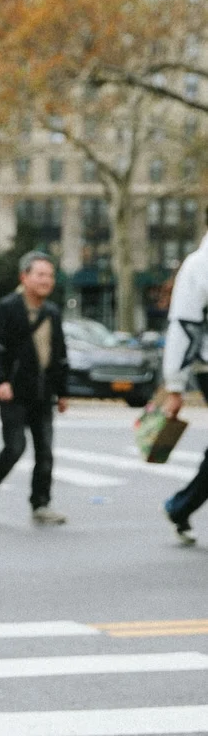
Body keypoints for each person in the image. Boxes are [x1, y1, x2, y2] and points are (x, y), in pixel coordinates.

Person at [0, 251, 69, 525]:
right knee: (15, 447)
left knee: (45, 451)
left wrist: (63, 391)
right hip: (14, 392)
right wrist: (0, 381)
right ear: (24, 277)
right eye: (40, 274)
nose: (47, 280)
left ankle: (41, 504)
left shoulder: (52, 312)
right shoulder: (7, 308)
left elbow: (60, 354)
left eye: (50, 275)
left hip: (43, 394)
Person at [162, 213, 208, 543]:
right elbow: (183, 325)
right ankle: (181, 506)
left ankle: (181, 507)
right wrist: (175, 386)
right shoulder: (198, 264)